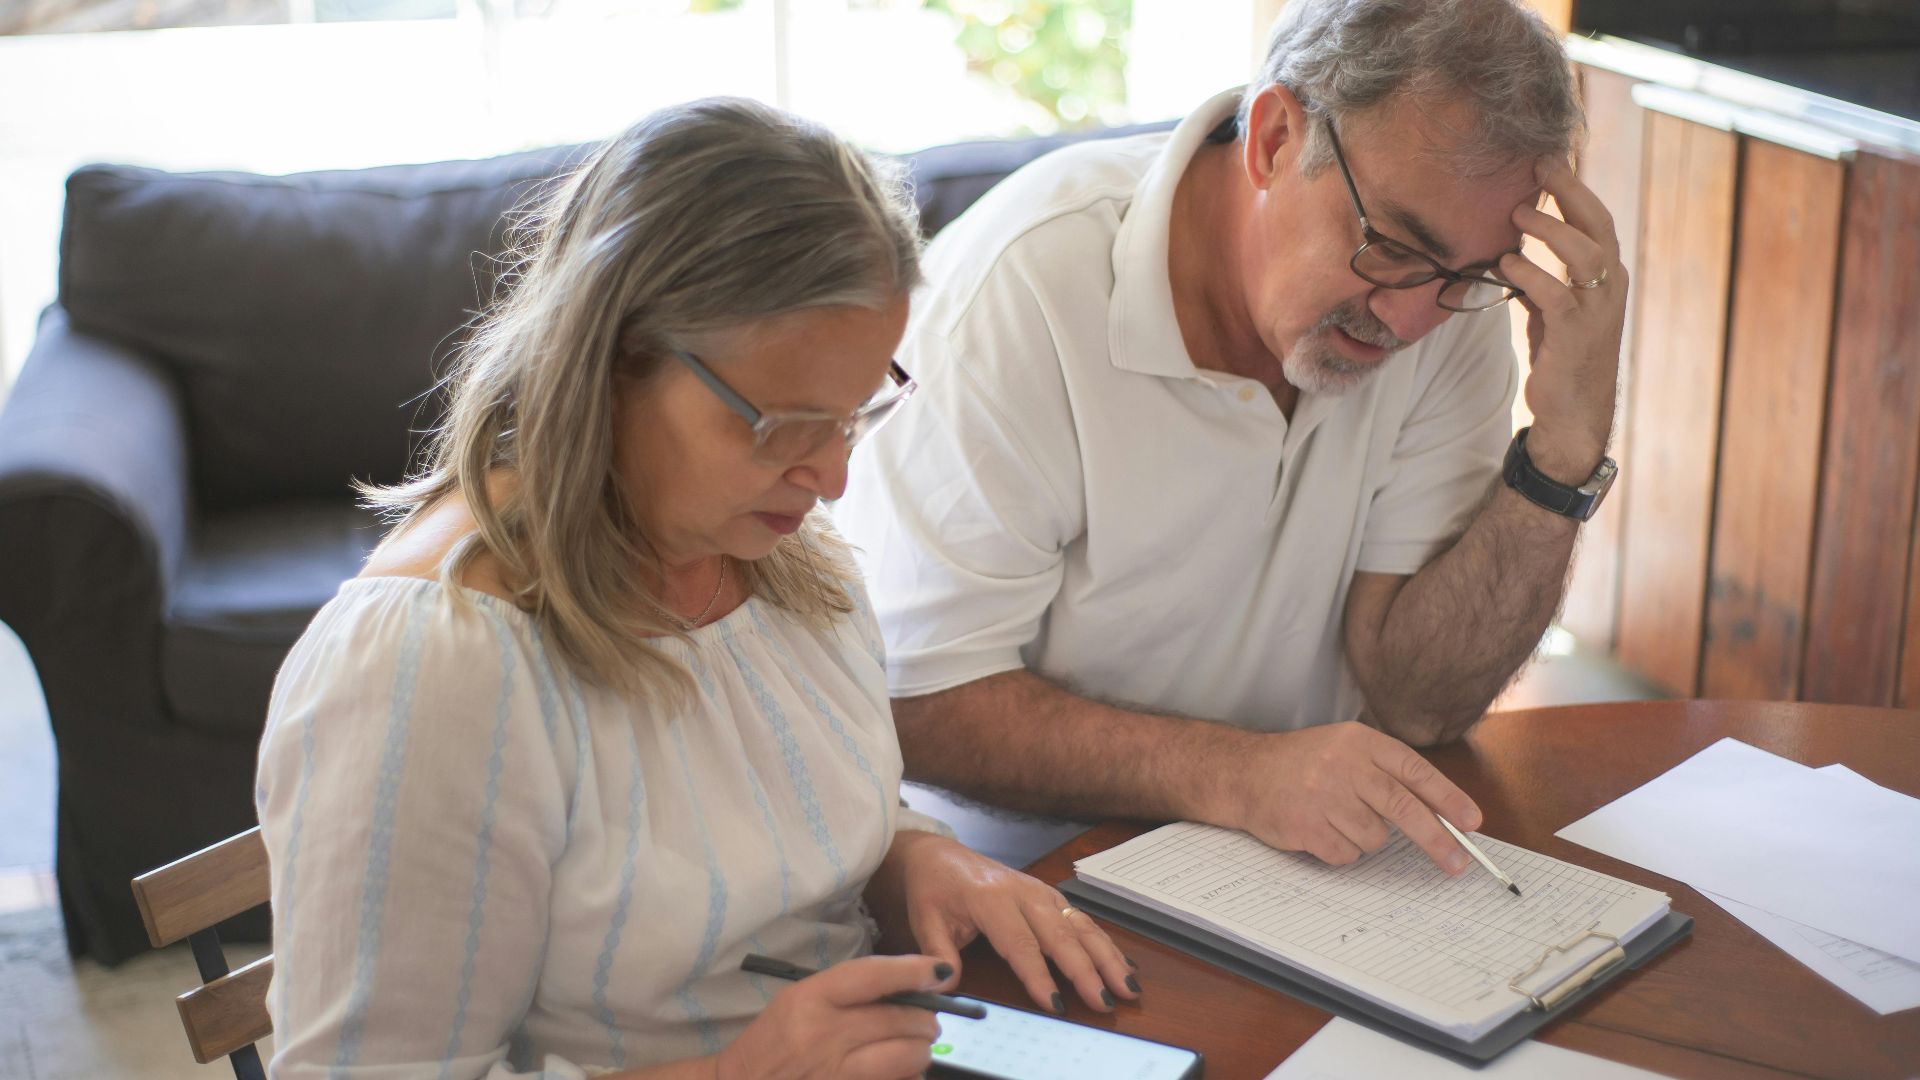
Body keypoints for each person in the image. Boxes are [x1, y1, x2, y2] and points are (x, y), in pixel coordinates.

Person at [253, 98, 1138, 1080]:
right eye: (783, 425)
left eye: (854, 414)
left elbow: (776, 826)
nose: (833, 476)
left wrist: (910, 858)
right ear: (611, 357)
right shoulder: (435, 666)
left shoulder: (784, 559)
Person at [833, 0, 1629, 871]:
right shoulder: (1019, 296)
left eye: (1470, 276)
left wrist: (1563, 451)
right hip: (1030, 882)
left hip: (1306, 864)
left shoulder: (1445, 309)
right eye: (1391, 244)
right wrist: (1239, 776)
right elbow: (917, 700)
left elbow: (1420, 705)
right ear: (1275, 139)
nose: (1409, 318)